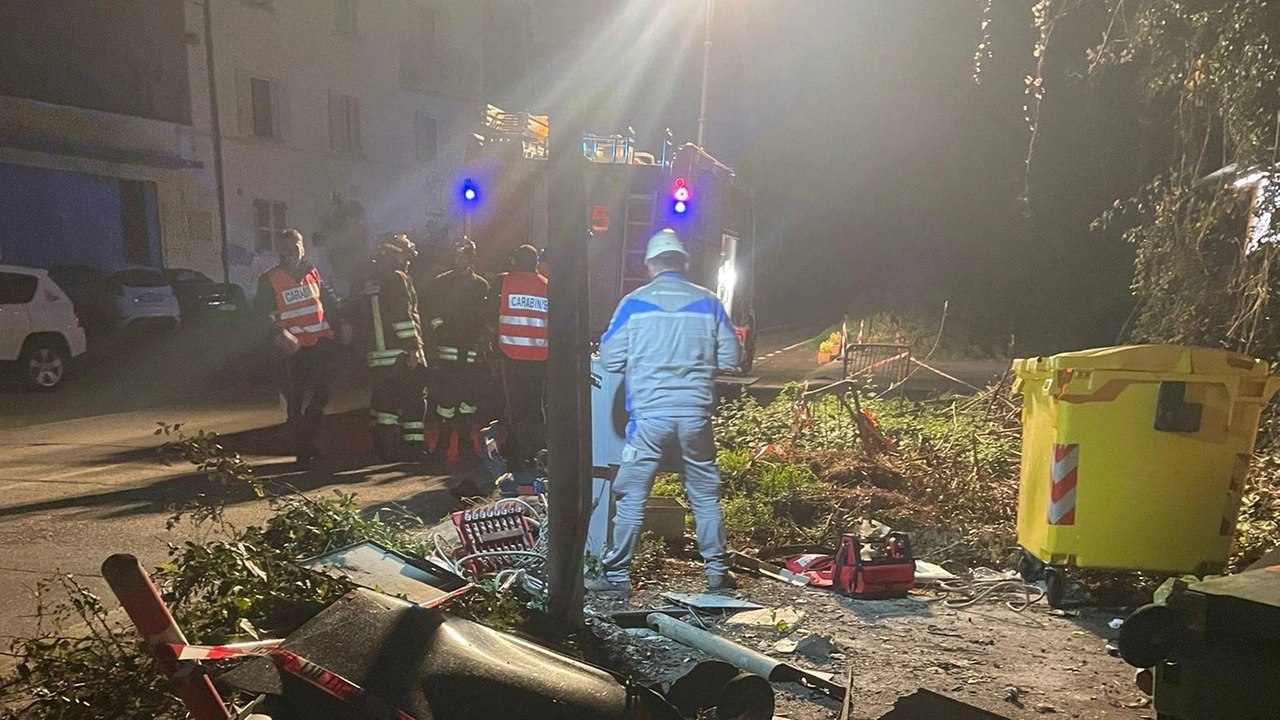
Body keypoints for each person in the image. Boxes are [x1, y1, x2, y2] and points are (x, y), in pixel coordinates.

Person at [587, 229, 742, 597]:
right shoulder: (708, 303)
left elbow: (609, 359)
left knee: (631, 496)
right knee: (704, 496)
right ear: (684, 263)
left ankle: (616, 577)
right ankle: (717, 574)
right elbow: (731, 359)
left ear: (651, 264)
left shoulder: (634, 303)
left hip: (649, 418)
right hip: (695, 416)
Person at [254, 229, 342, 466]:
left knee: (323, 394)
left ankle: (309, 440)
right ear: (280, 250)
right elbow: (261, 314)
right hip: (292, 349)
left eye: (296, 247)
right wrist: (277, 333)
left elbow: (328, 301)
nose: (291, 252)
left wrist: (342, 325)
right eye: (286, 248)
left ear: (303, 247)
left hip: (320, 343)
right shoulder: (270, 279)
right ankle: (303, 449)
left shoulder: (313, 272)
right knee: (296, 401)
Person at [423, 239, 491, 468]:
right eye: (457, 255)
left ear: (473, 258)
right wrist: (440, 330)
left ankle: (465, 447)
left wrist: (482, 339)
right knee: (446, 402)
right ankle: (441, 447)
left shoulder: (481, 286)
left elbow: (486, 317)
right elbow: (431, 311)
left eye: (465, 255)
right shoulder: (441, 283)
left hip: (471, 351)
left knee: (468, 402)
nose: (460, 259)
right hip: (448, 351)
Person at [363, 234, 432, 461]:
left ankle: (386, 449)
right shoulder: (397, 278)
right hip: (398, 353)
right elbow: (402, 316)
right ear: (396, 254)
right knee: (413, 397)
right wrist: (413, 348)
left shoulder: (368, 280)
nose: (408, 260)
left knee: (385, 403)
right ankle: (413, 448)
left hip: (376, 355)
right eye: (405, 255)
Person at [492, 244, 548, 474]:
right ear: (535, 263)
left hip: (511, 355)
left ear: (515, 260)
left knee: (515, 409)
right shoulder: (547, 286)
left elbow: (489, 314)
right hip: (540, 356)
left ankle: (515, 456)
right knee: (536, 407)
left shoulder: (503, 281)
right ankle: (536, 453)